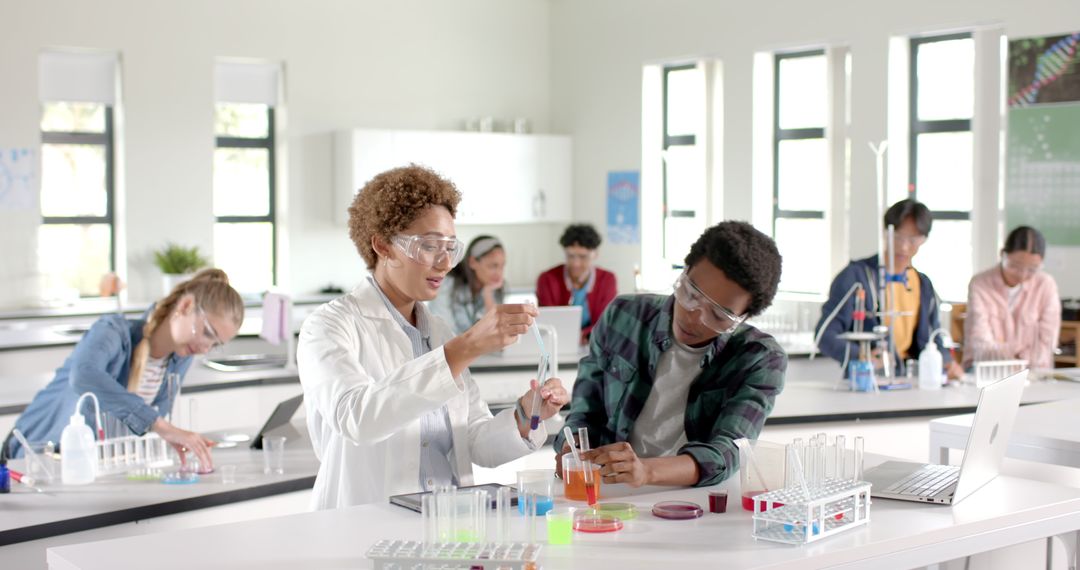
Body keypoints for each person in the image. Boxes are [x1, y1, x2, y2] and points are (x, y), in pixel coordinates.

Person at [298, 165, 569, 509]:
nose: (444, 264)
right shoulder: (329, 326)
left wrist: (524, 416)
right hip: (365, 523)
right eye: (429, 246)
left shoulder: (439, 331)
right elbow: (357, 419)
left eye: (450, 248)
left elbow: (473, 440)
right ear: (382, 245)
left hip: (450, 522)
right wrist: (465, 347)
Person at [552, 221, 786, 488]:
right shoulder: (623, 315)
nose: (695, 317)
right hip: (610, 492)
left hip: (697, 501)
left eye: (719, 315)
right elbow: (585, 412)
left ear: (742, 318)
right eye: (690, 294)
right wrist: (571, 450)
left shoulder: (759, 358)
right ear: (684, 272)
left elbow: (729, 451)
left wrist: (646, 471)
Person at [6, 269, 243, 470]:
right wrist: (163, 427)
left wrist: (165, 438)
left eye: (214, 344)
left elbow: (138, 423)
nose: (204, 347)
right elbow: (84, 376)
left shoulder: (180, 357)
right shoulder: (113, 331)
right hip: (35, 457)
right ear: (186, 305)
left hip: (90, 466)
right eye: (207, 333)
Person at [816, 199, 962, 380]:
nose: (904, 246)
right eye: (898, 236)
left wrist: (947, 362)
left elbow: (933, 338)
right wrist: (861, 355)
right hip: (868, 382)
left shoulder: (924, 285)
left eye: (913, 239)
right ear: (885, 233)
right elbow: (824, 335)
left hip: (911, 385)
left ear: (924, 240)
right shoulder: (856, 278)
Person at [964, 226, 1060, 369]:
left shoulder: (1046, 285)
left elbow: (1047, 342)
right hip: (988, 371)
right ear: (1002, 254)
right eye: (1015, 266)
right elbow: (980, 343)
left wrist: (1018, 357)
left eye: (1032, 269)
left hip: (1034, 373)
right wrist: (1016, 353)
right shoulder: (980, 284)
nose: (1022, 275)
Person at [536, 223, 618, 344]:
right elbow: (548, 321)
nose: (576, 264)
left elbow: (606, 321)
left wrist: (584, 335)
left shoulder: (607, 280)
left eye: (583, 257)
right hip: (557, 344)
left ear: (595, 254)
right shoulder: (547, 279)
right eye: (570, 256)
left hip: (594, 344)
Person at [428, 235, 506, 334]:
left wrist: (488, 295)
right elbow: (443, 333)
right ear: (472, 262)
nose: (499, 273)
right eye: (493, 266)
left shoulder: (493, 287)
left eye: (502, 266)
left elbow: (496, 331)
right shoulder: (446, 285)